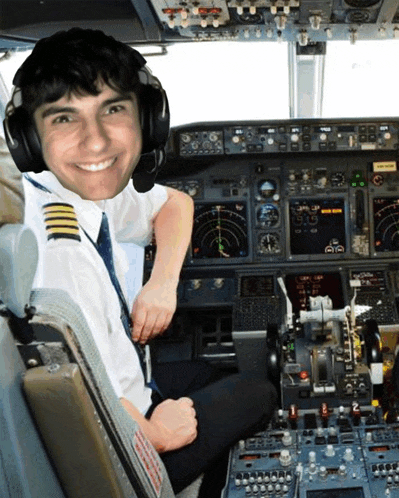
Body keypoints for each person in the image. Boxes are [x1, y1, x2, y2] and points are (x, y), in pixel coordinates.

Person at [3, 28, 277, 494]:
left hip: (132, 387)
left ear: (147, 120)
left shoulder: (87, 196)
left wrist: (162, 282)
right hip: (121, 445)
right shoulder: (57, 254)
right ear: (29, 140)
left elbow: (174, 205)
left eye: (113, 110)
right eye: (64, 118)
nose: (96, 144)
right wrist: (156, 433)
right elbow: (86, 391)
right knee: (259, 390)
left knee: (210, 374)